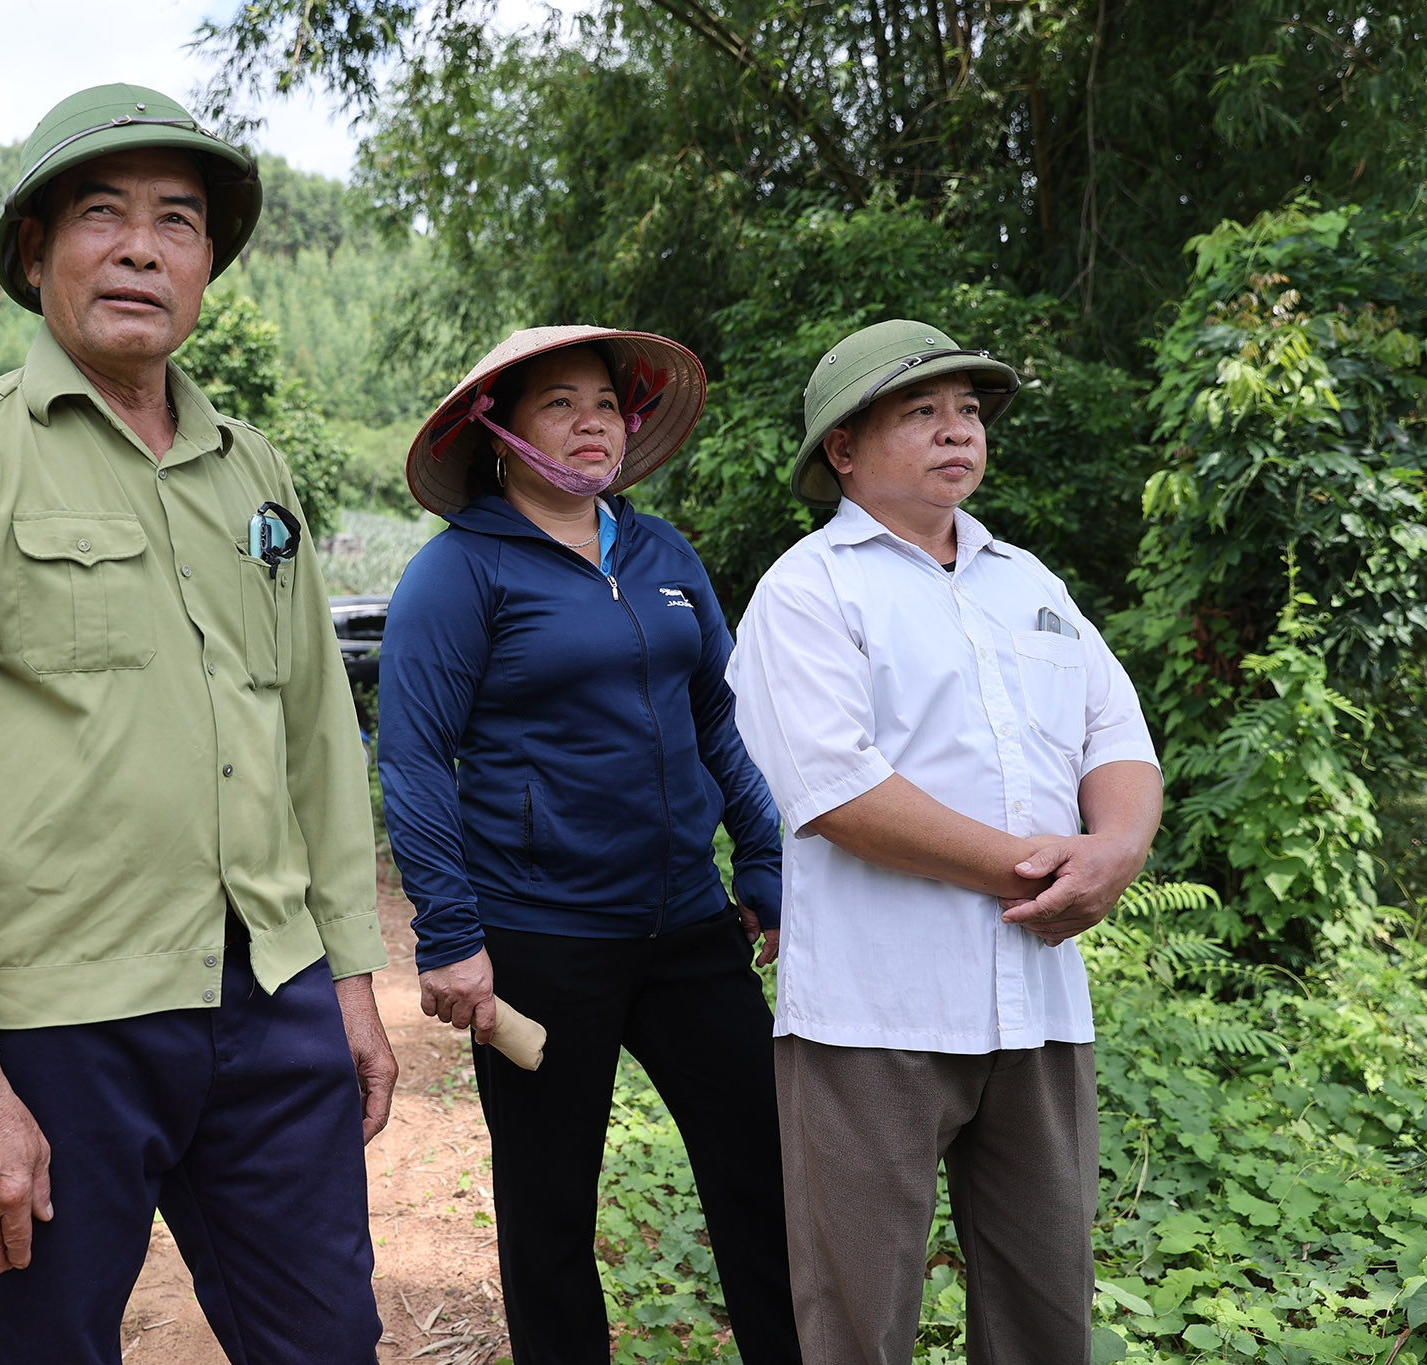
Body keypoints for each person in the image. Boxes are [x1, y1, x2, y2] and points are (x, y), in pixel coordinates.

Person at [0, 83, 394, 1364]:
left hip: (270, 998)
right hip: (55, 1028)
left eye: (178, 221)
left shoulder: (255, 473)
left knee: (325, 1342)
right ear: (36, 252)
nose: (142, 246)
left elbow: (315, 732)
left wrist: (351, 978)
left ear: (207, 263)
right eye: (101, 213)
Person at [724, 319, 1164, 1364]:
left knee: (1043, 1305)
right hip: (874, 1015)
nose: (954, 431)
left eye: (966, 411)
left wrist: (1116, 852)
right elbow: (837, 793)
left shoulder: (1029, 587)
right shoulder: (806, 590)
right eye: (918, 411)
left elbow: (1118, 737)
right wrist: (1046, 870)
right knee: (857, 1317)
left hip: (1037, 1005)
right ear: (841, 449)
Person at [378, 326, 804, 1365]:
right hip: (540, 942)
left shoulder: (661, 555)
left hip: (689, 927)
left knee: (767, 1176)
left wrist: (763, 861)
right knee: (549, 1205)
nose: (590, 423)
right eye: (558, 404)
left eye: (606, 405)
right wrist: (450, 933)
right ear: (498, 433)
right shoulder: (459, 573)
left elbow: (719, 717)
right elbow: (415, 759)